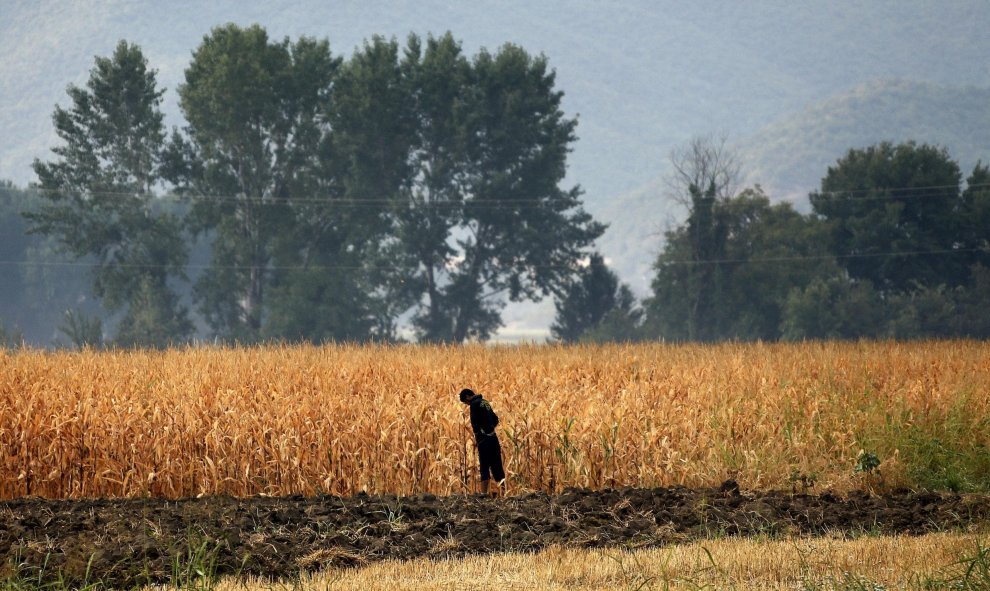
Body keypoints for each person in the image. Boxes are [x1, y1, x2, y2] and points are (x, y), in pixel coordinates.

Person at [459, 388, 505, 496]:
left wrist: (479, 436)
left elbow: (475, 423)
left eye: (465, 403)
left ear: (467, 397)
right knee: (497, 465)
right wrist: (490, 429)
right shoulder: (485, 402)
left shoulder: (474, 404)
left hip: (484, 440)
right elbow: (495, 419)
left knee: (484, 465)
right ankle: (503, 492)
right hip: (493, 438)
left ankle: (484, 493)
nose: (467, 405)